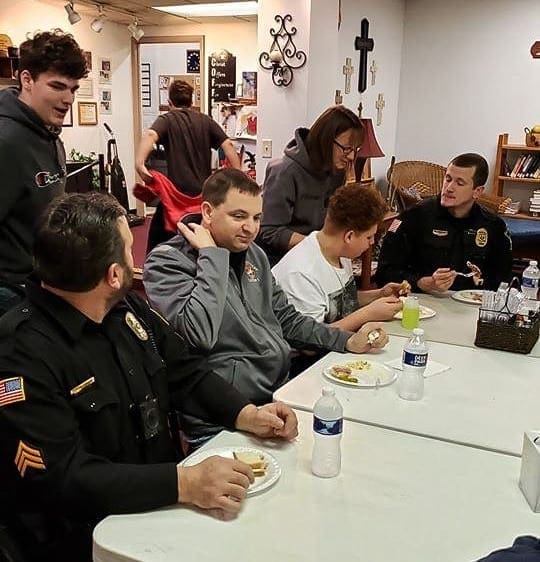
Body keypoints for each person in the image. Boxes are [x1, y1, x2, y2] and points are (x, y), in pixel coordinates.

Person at [0, 192, 297, 562]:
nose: (134, 257)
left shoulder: (125, 309)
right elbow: (66, 478)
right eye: (129, 249)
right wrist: (184, 483)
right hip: (92, 537)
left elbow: (185, 372)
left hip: (165, 506)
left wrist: (246, 413)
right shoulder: (20, 354)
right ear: (114, 275)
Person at [143, 168, 389, 441]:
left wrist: (347, 341)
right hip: (224, 414)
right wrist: (211, 256)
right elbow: (198, 335)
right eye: (239, 216)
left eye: (257, 217)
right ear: (208, 212)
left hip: (277, 392)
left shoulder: (254, 255)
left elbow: (288, 320)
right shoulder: (167, 262)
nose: (251, 228)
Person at [0, 30, 87, 316]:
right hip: (10, 294)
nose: (68, 99)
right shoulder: (6, 140)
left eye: (73, 89)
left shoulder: (49, 135)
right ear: (26, 79)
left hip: (42, 284)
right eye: (57, 86)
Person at [272, 183, 404, 332]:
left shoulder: (341, 254)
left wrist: (378, 295)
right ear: (349, 236)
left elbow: (339, 302)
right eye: (369, 237)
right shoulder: (301, 273)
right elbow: (310, 342)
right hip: (313, 354)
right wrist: (367, 314)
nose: (372, 242)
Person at [375, 153, 513, 293]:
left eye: (459, 183)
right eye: (448, 179)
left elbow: (503, 282)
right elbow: (384, 273)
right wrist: (420, 283)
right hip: (423, 303)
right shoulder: (414, 217)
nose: (449, 188)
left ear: (477, 191)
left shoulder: (494, 226)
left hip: (472, 306)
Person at [135, 79, 242, 251]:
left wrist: (139, 164)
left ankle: (151, 273)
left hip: (175, 197)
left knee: (156, 245)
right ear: (192, 102)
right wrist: (238, 177)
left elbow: (149, 135)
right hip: (203, 199)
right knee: (203, 241)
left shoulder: (167, 119)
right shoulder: (205, 120)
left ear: (169, 102)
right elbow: (228, 146)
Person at [256, 105, 364, 264]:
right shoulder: (284, 171)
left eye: (355, 149)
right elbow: (270, 231)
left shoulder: (336, 171)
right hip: (280, 261)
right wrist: (318, 245)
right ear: (326, 140)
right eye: (347, 149)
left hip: (314, 256)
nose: (351, 156)